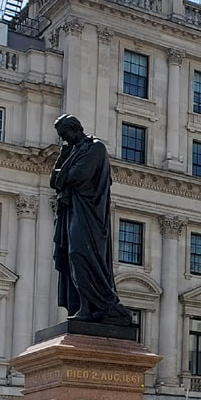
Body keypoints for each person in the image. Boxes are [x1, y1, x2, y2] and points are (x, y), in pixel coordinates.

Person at [51, 114, 136, 326]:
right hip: (73, 210)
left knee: (81, 254)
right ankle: (84, 306)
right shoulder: (72, 151)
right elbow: (55, 181)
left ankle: (94, 305)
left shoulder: (95, 147)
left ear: (74, 129)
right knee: (72, 258)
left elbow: (78, 175)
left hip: (90, 213)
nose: (64, 140)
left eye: (65, 135)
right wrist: (63, 158)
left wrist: (65, 172)